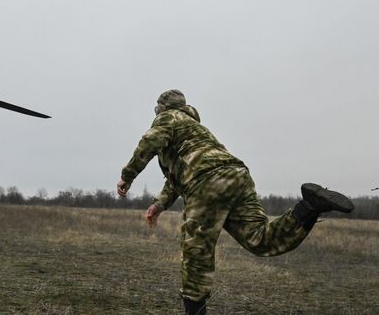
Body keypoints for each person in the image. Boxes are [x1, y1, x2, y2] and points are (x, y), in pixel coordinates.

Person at [116, 89, 354, 315]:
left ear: (162, 107)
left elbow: (150, 141)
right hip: (237, 174)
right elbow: (180, 174)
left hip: (206, 181)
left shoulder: (168, 118)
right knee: (259, 238)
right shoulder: (197, 129)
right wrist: (159, 204)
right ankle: (309, 207)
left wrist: (127, 177)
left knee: (196, 252)